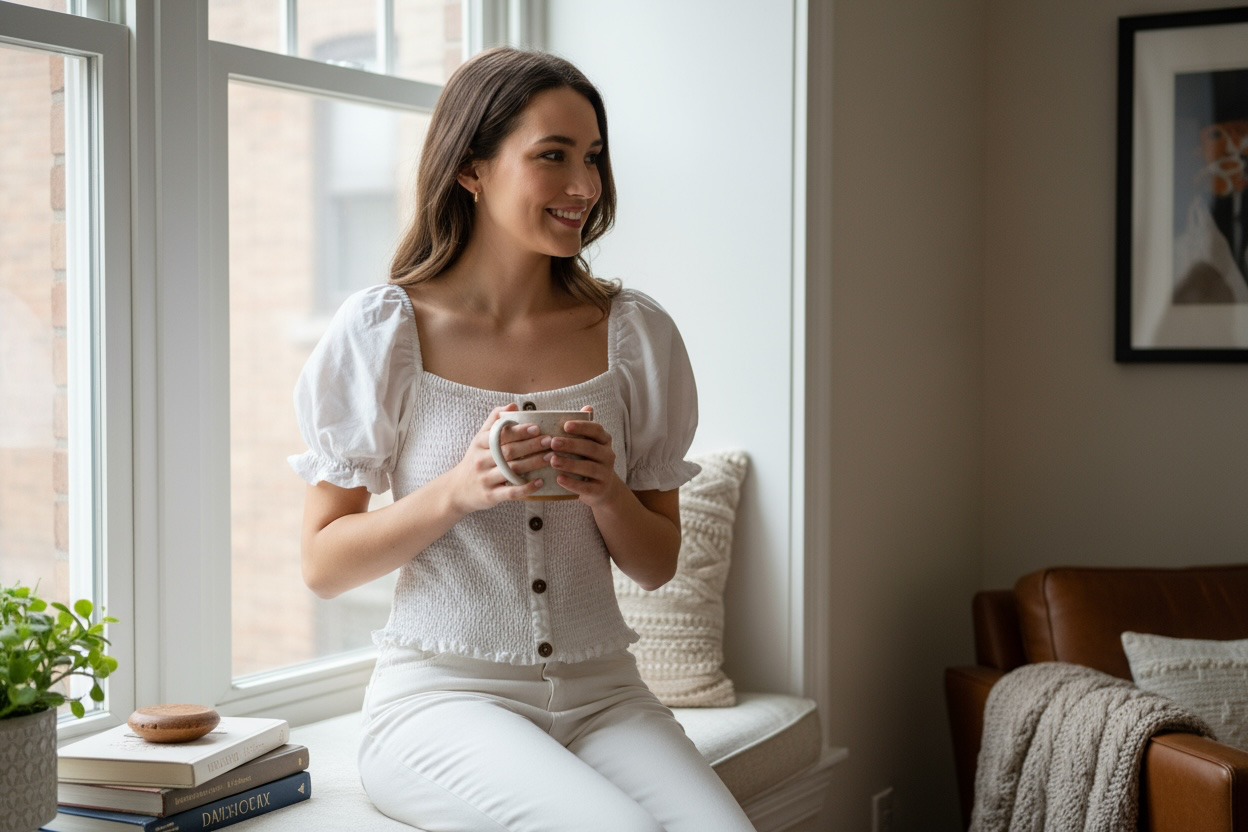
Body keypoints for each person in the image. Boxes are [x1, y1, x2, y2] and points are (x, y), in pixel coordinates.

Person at [288, 47, 757, 832]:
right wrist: (456, 491)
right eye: (553, 156)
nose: (585, 186)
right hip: (440, 700)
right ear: (471, 168)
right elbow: (323, 564)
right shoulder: (384, 330)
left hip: (606, 694)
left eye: (593, 157)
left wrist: (608, 493)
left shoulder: (634, 333)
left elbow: (656, 564)